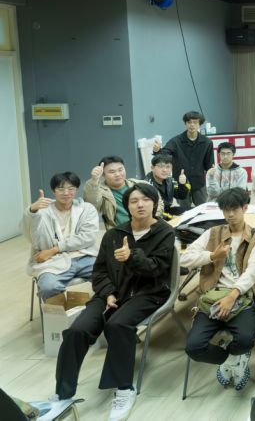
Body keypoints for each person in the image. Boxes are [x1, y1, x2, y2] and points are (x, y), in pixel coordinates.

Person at [54, 182, 175, 421]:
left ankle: (124, 389)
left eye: (146, 200)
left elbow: (156, 269)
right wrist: (108, 292)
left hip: (147, 292)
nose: (140, 205)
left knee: (117, 325)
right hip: (113, 292)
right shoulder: (114, 234)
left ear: (154, 203)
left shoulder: (164, 232)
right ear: (126, 206)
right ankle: (63, 394)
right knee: (77, 330)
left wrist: (132, 257)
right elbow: (99, 271)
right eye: (134, 201)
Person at [182, 188, 255, 391]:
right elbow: (185, 259)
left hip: (242, 297)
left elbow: (253, 272)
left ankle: (239, 355)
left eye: (234, 209)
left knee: (246, 341)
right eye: (225, 210)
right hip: (212, 297)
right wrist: (212, 256)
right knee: (193, 348)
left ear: (245, 208)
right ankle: (230, 359)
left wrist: (232, 295)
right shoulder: (213, 233)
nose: (230, 215)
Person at [21, 172, 99, 300]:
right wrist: (32, 211)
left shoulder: (86, 209)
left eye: (71, 189)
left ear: (76, 189)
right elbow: (32, 236)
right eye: (61, 189)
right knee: (48, 287)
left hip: (84, 256)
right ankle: (62, 312)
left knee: (112, 275)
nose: (66, 193)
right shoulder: (42, 211)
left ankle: (101, 306)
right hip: (52, 261)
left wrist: (55, 249)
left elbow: (88, 237)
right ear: (53, 190)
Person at [154, 110, 214, 208]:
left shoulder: (207, 142)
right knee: (184, 211)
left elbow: (209, 165)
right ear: (185, 124)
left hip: (199, 183)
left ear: (199, 124)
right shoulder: (176, 141)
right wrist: (157, 151)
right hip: (181, 183)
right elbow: (164, 154)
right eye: (189, 122)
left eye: (195, 122)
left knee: (203, 209)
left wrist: (212, 173)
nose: (192, 125)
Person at [83, 156, 143, 227]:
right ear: (103, 175)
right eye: (112, 172)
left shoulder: (140, 185)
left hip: (146, 227)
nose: (117, 174)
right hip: (119, 230)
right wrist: (94, 180)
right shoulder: (100, 192)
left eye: (120, 170)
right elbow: (92, 205)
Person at [144, 153, 189, 219]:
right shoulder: (147, 185)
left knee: (191, 211)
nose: (164, 170)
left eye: (168, 167)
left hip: (167, 210)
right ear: (152, 168)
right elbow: (154, 212)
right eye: (161, 166)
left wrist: (183, 184)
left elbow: (181, 196)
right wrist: (172, 218)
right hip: (154, 216)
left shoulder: (170, 180)